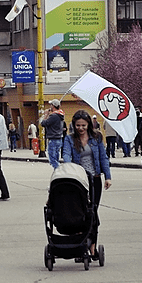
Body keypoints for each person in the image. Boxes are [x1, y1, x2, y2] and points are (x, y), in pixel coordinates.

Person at [61, 109, 112, 259]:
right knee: (79, 213)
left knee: (93, 213)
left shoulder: (96, 138)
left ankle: (93, 247)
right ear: (74, 125)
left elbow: (103, 158)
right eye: (78, 125)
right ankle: (80, 245)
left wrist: (107, 177)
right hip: (78, 181)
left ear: (88, 125)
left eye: (83, 125)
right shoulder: (70, 139)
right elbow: (66, 155)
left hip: (94, 179)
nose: (81, 128)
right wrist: (68, 169)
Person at [40, 99, 65, 168]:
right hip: (59, 138)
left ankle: (60, 171)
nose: (50, 107)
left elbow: (43, 123)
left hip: (53, 139)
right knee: (56, 158)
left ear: (53, 106)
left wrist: (46, 115)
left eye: (50, 105)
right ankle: (58, 172)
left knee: (52, 160)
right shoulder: (61, 115)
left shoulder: (54, 116)